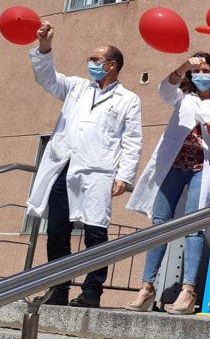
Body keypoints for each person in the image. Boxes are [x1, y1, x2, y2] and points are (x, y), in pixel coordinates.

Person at [26, 22, 142, 307]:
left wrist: (124, 176)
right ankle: (58, 289)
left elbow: (132, 140)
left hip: (98, 171)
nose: (90, 63)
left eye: (95, 59)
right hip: (64, 166)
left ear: (111, 65)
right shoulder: (77, 87)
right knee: (56, 232)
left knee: (95, 234)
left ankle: (91, 293)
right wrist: (44, 46)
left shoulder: (128, 99)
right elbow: (46, 77)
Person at [125, 53, 210, 313]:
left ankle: (188, 292)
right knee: (159, 224)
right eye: (197, 71)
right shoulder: (183, 98)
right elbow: (164, 88)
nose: (201, 75)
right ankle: (147, 288)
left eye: (206, 70)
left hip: (202, 168)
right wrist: (186, 64)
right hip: (173, 166)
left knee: (194, 227)